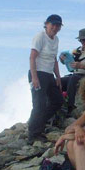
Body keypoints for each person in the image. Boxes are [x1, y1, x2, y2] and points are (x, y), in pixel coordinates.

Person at [27, 14, 64, 143]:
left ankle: (37, 123)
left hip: (48, 74)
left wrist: (58, 76)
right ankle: (33, 134)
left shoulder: (56, 39)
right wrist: (34, 77)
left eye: (57, 25)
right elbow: (32, 57)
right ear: (46, 24)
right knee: (39, 104)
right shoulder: (40, 37)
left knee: (58, 100)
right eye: (52, 24)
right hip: (38, 73)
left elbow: (54, 59)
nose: (55, 27)